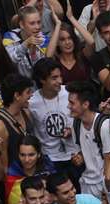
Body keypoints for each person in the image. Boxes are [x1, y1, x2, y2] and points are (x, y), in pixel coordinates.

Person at [29, 58, 82, 186]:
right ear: (42, 80)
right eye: (54, 78)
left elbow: (83, 119)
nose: (60, 81)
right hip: (50, 160)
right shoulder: (31, 103)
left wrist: (72, 131)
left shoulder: (70, 93)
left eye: (60, 76)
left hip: (74, 156)